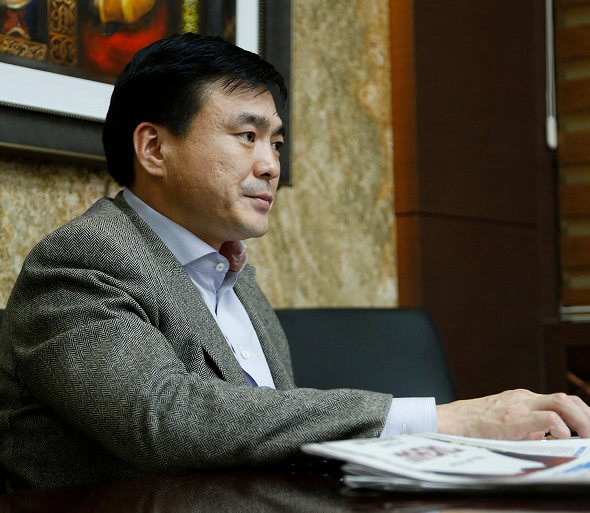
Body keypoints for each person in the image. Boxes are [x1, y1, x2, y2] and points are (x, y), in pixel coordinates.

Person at [0, 33, 589, 492]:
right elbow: (168, 419)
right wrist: (447, 421)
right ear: (154, 148)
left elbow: (269, 430)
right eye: (247, 136)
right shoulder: (82, 262)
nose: (270, 166)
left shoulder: (233, 274)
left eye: (276, 143)